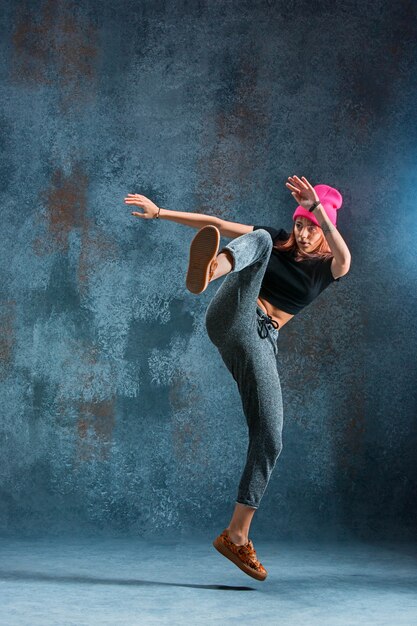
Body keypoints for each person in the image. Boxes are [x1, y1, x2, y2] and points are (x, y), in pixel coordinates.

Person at [124, 175, 351, 582]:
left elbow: (343, 253)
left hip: (260, 342)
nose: (301, 233)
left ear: (323, 229)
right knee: (261, 240)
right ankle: (211, 269)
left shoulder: (328, 269)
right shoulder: (276, 239)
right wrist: (159, 213)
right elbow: (215, 223)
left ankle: (237, 536)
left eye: (310, 228)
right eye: (299, 223)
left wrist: (318, 209)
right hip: (232, 313)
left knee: (270, 436)